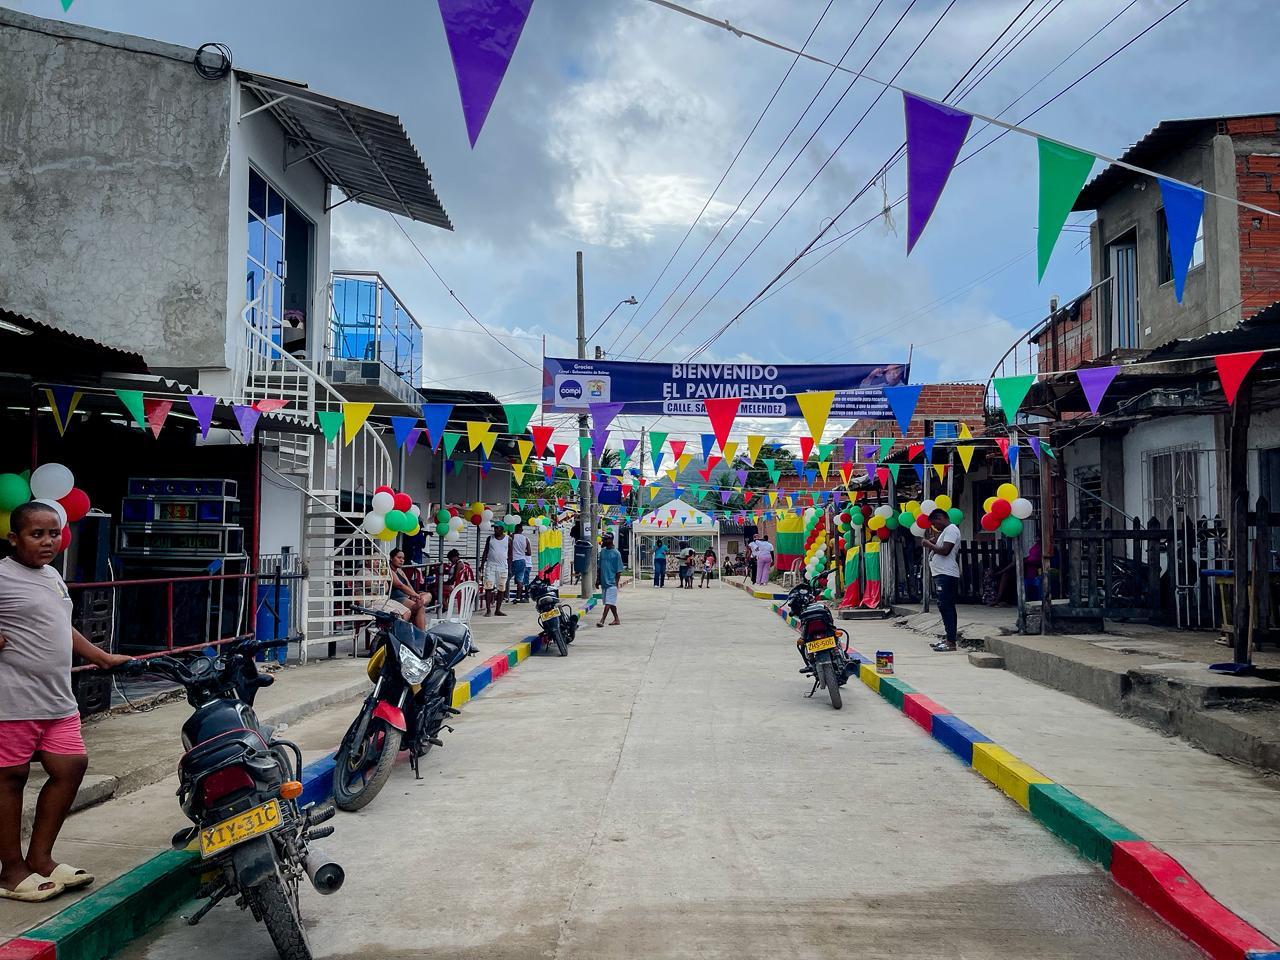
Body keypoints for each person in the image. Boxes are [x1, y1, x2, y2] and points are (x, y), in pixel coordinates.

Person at [1, 501, 132, 902]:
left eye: (53, 534)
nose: (47, 542)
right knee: (10, 779)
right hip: (12, 701)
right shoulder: (3, 575)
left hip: (57, 698)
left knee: (71, 765)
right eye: (36, 534)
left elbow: (61, 627)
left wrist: (101, 657)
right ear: (13, 538)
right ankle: (11, 871)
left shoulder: (53, 576)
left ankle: (41, 858)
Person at [922, 508, 962, 651]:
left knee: (946, 606)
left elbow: (945, 551)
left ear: (941, 519)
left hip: (947, 574)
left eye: (935, 524)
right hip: (941, 574)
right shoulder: (946, 531)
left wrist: (929, 545)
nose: (935, 527)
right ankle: (948, 638)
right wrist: (935, 540)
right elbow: (940, 545)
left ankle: (951, 642)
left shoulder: (951, 530)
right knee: (944, 606)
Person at [388, 548, 429, 630]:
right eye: (399, 558)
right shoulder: (389, 570)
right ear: (391, 558)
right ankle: (423, 634)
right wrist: (415, 595)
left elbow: (408, 584)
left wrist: (414, 595)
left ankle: (419, 602)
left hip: (406, 596)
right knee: (421, 608)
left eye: (403, 558)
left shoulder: (400, 571)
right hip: (396, 597)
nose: (401, 560)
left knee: (428, 595)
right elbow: (400, 585)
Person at [480, 524, 510, 617]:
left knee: (501, 589)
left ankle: (498, 610)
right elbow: (486, 551)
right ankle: (488, 610)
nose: (495, 530)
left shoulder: (508, 539)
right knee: (488, 588)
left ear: (502, 529)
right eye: (494, 528)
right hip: (490, 566)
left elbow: (510, 554)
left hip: (503, 567)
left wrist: (510, 567)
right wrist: (482, 564)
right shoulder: (490, 538)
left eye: (497, 528)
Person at [596, 533, 623, 627]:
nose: (603, 541)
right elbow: (599, 568)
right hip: (604, 582)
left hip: (612, 583)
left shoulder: (616, 554)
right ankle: (616, 619)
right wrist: (598, 580)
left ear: (611, 540)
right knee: (610, 602)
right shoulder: (602, 552)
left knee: (608, 602)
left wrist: (616, 584)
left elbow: (619, 571)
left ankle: (602, 620)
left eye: (606, 539)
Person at [509, 523, 532, 604]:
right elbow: (529, 553)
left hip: (513, 560)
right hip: (522, 561)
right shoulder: (525, 539)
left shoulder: (511, 537)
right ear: (522, 530)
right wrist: (522, 552)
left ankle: (505, 597)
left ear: (515, 529)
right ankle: (518, 598)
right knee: (520, 580)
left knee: (507, 578)